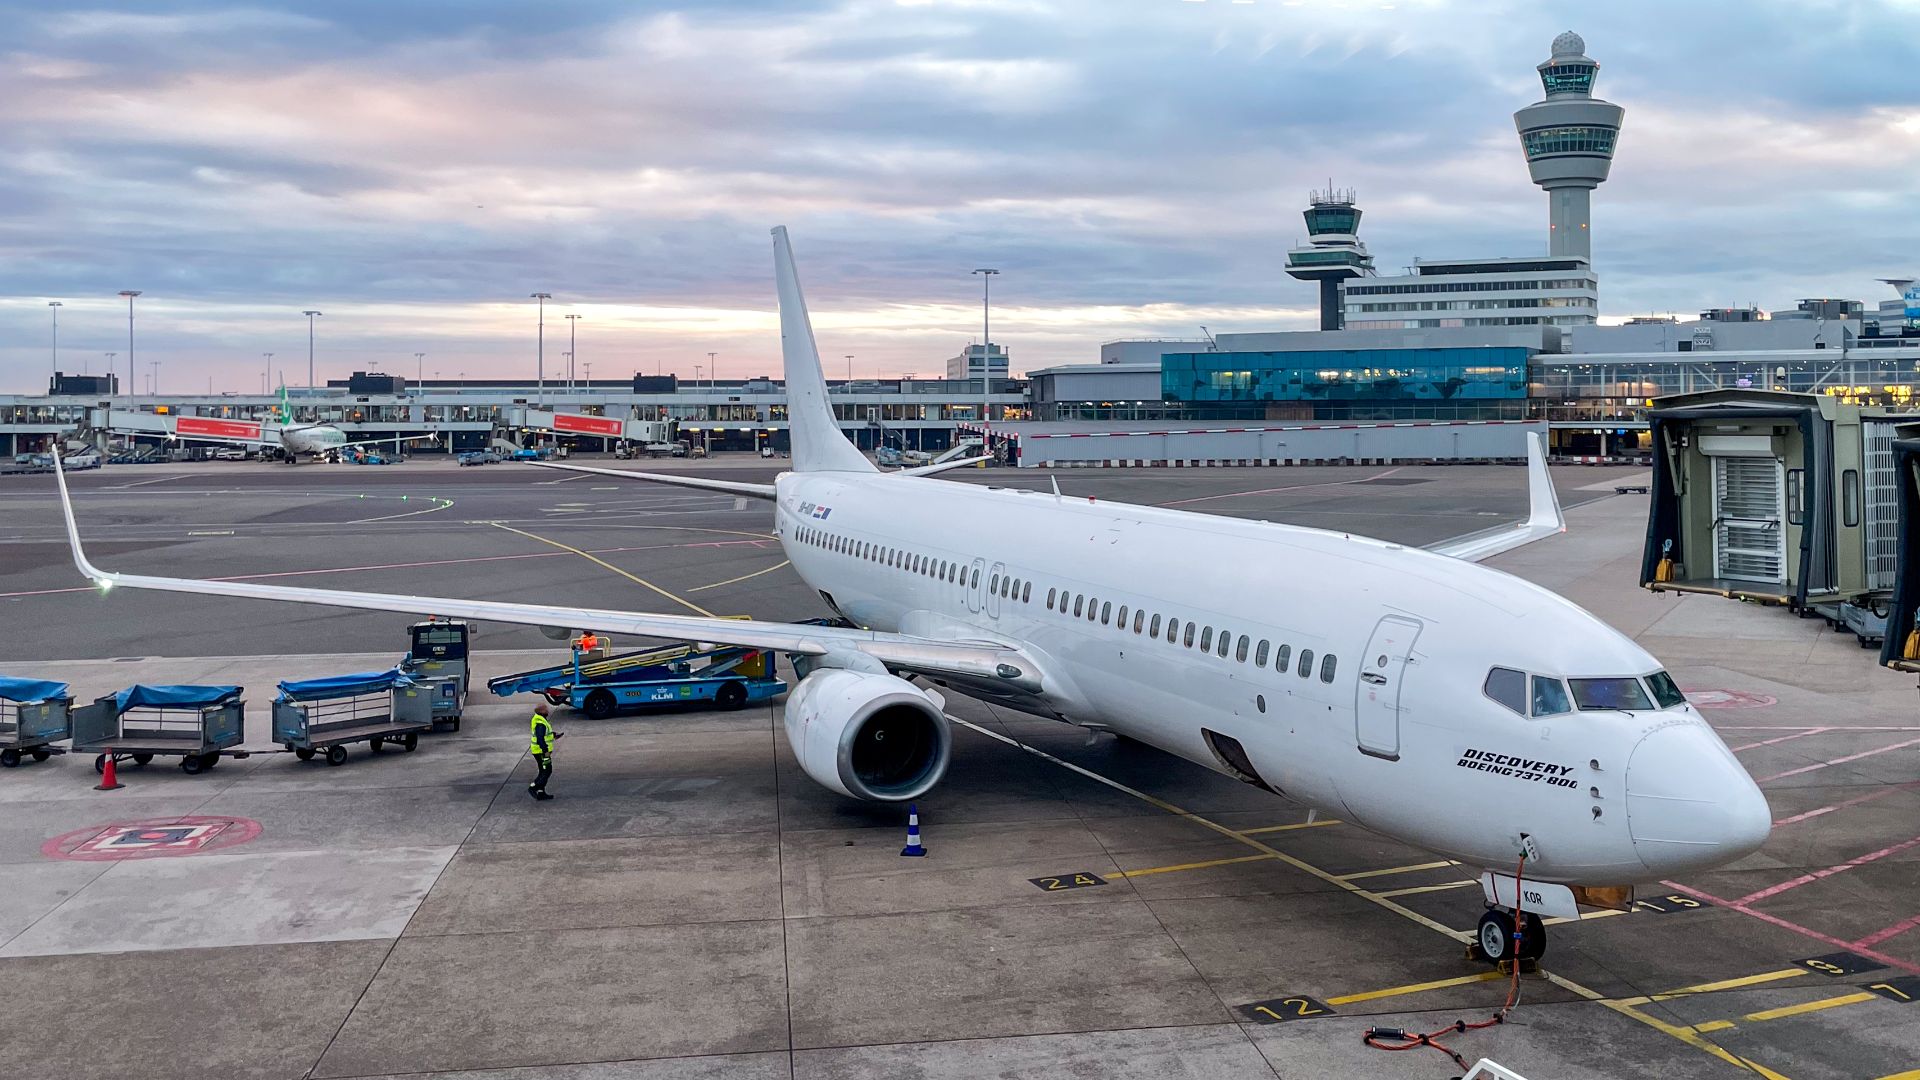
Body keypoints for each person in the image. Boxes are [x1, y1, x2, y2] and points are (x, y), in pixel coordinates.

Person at [528, 702, 564, 800]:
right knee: (547, 770)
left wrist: (554, 735)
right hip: (541, 752)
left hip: (538, 751)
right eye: (546, 709)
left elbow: (544, 735)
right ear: (542, 711)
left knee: (543, 770)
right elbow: (540, 738)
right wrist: (546, 751)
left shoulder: (540, 719)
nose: (548, 710)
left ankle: (541, 792)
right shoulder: (540, 723)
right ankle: (533, 787)